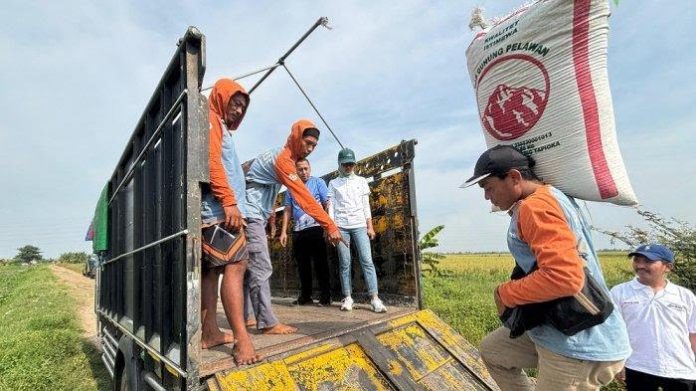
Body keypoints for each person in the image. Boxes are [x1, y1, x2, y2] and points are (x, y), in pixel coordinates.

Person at [462, 144, 631, 390]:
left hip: (578, 344)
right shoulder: (553, 196)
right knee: (494, 350)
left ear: (514, 177)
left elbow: (565, 278)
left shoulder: (535, 207)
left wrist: (505, 293)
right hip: (558, 328)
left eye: (489, 188)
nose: (487, 197)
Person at [244, 119, 343, 334]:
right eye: (307, 143)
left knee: (248, 266)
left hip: (253, 212)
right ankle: (268, 323)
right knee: (261, 266)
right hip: (250, 213)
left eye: (314, 146)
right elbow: (305, 199)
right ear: (296, 137)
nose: (310, 149)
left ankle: (248, 316)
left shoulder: (283, 157)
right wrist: (330, 225)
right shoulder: (284, 159)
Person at [198, 78, 258, 365]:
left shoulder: (217, 125)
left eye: (242, 107)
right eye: (234, 102)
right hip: (219, 210)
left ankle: (210, 332)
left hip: (214, 211)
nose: (238, 110)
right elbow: (211, 162)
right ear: (220, 98)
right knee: (236, 267)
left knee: (212, 273)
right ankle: (242, 340)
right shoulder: (211, 119)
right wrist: (229, 201)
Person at [610, 244, 696, 391]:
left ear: (667, 267)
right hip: (638, 367)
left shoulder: (684, 296)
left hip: (681, 369)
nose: (640, 266)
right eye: (637, 260)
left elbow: (692, 333)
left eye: (648, 261)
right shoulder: (620, 292)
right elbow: (613, 332)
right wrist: (617, 363)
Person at [327, 148, 387, 313]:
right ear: (339, 164)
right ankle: (347, 297)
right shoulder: (333, 183)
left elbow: (365, 205)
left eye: (351, 164)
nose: (348, 167)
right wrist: (332, 228)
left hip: (360, 225)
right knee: (345, 263)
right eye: (345, 164)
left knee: (367, 260)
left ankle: (374, 298)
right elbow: (331, 207)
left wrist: (370, 226)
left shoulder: (361, 181)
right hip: (341, 227)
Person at [279, 158, 332, 306]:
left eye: (306, 168)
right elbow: (287, 210)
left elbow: (327, 204)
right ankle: (305, 296)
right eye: (300, 169)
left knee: (321, 264)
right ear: (296, 171)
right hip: (298, 231)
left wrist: (328, 226)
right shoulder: (291, 188)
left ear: (310, 168)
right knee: (303, 265)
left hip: (316, 228)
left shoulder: (318, 182)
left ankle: (325, 297)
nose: (304, 172)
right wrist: (283, 232)